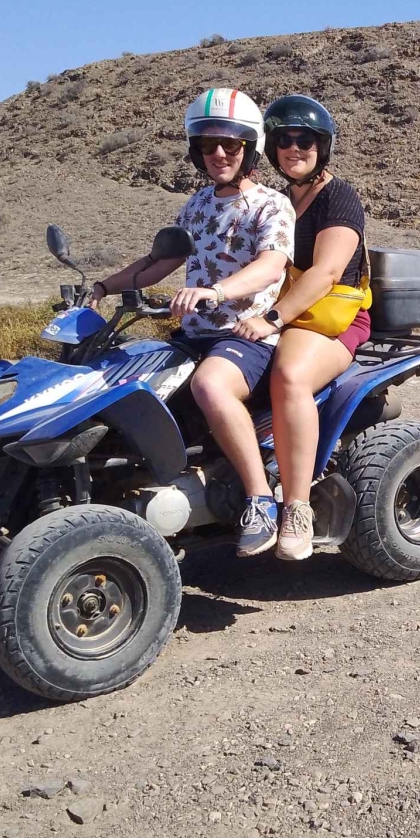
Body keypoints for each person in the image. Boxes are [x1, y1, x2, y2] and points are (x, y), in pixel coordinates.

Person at [89, 88, 295, 557]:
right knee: (124, 383)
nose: (218, 153)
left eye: (231, 144)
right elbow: (160, 260)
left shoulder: (271, 205)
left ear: (250, 148)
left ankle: (261, 500)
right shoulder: (198, 205)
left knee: (210, 386)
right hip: (192, 335)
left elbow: (271, 266)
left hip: (246, 334)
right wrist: (102, 287)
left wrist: (216, 291)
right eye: (207, 144)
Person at [242, 94, 373, 561]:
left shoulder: (339, 196)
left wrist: (272, 319)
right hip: (281, 308)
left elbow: (327, 273)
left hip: (329, 318)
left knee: (290, 375)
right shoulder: (277, 200)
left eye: (305, 140)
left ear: (323, 146)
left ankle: (296, 508)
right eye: (283, 140)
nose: (293, 148)